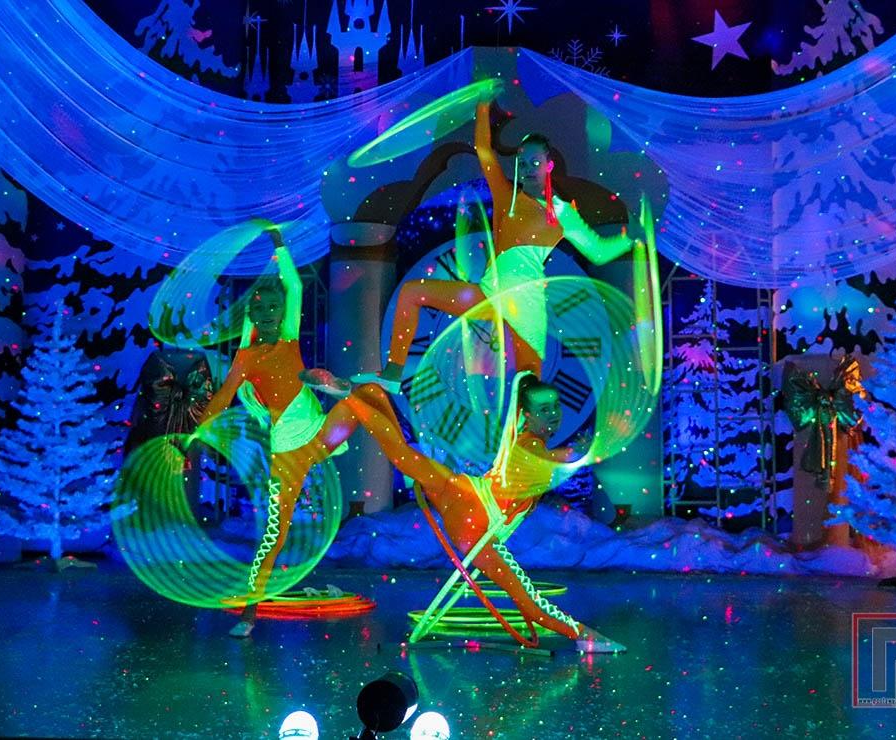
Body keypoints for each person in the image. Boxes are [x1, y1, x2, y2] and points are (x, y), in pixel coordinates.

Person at [351, 95, 638, 392]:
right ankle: (393, 373)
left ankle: (525, 422)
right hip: (488, 294)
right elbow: (484, 150)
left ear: (549, 165)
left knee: (529, 387)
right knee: (412, 292)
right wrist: (482, 104)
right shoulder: (506, 196)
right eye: (522, 163)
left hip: (525, 304)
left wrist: (630, 239)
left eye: (535, 163)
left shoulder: (563, 212)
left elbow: (598, 252)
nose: (528, 169)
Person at [342, 372, 625, 653]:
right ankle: (583, 635)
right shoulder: (530, 444)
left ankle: (360, 396)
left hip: (466, 495)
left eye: (555, 406)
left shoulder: (523, 441)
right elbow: (552, 459)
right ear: (527, 416)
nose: (553, 414)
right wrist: (583, 450)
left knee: (403, 453)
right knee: (526, 598)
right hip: (477, 519)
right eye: (543, 409)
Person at [198, 222, 358, 637]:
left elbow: (295, 286)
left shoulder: (289, 339)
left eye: (275, 307)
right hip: (287, 453)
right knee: (275, 534)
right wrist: (199, 431)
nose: (270, 314)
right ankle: (251, 611)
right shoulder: (246, 357)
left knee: (366, 400)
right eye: (261, 309)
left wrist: (280, 245)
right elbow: (224, 396)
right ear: (251, 316)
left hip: (320, 436)